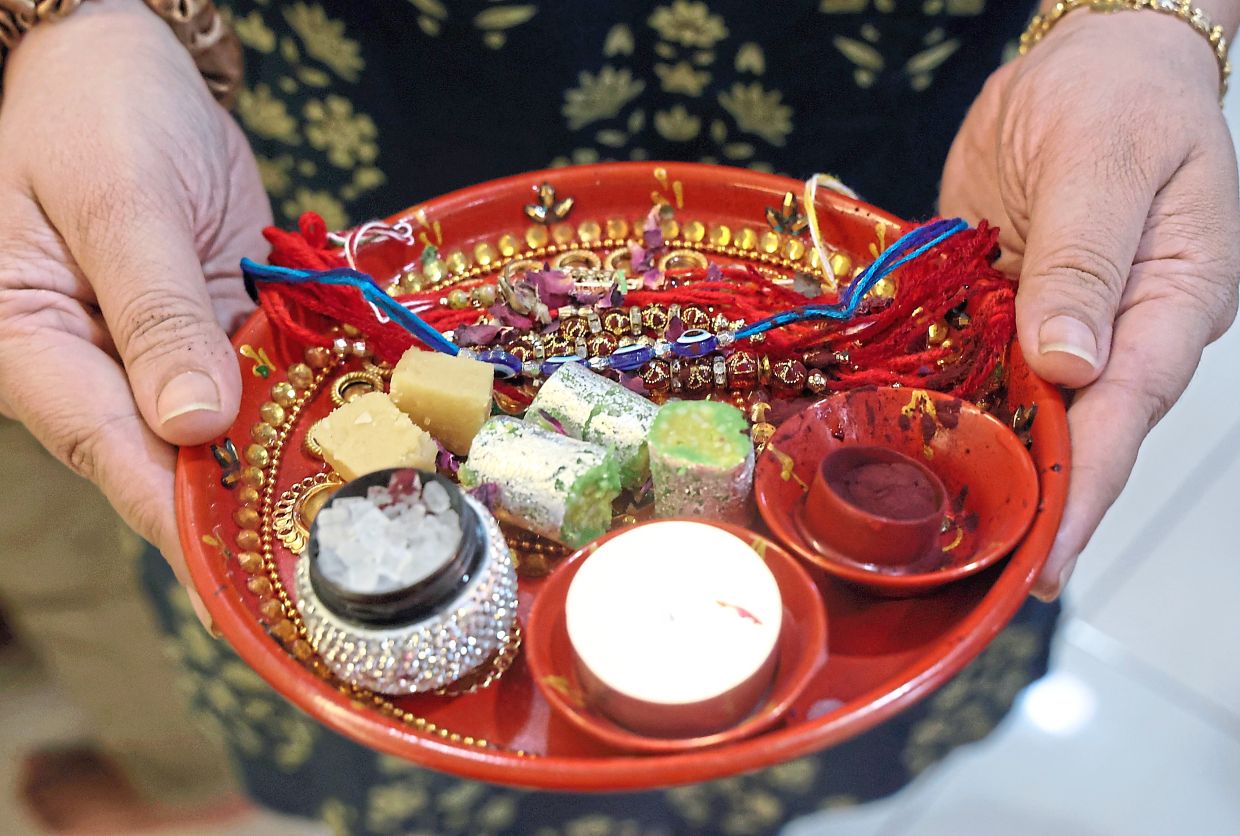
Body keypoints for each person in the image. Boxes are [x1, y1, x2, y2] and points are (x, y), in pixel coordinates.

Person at [0, 0, 1236, 832]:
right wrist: (75, 24)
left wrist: (1148, 23)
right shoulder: (344, 333)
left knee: (800, 710)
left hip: (897, 150)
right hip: (349, 154)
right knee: (375, 698)